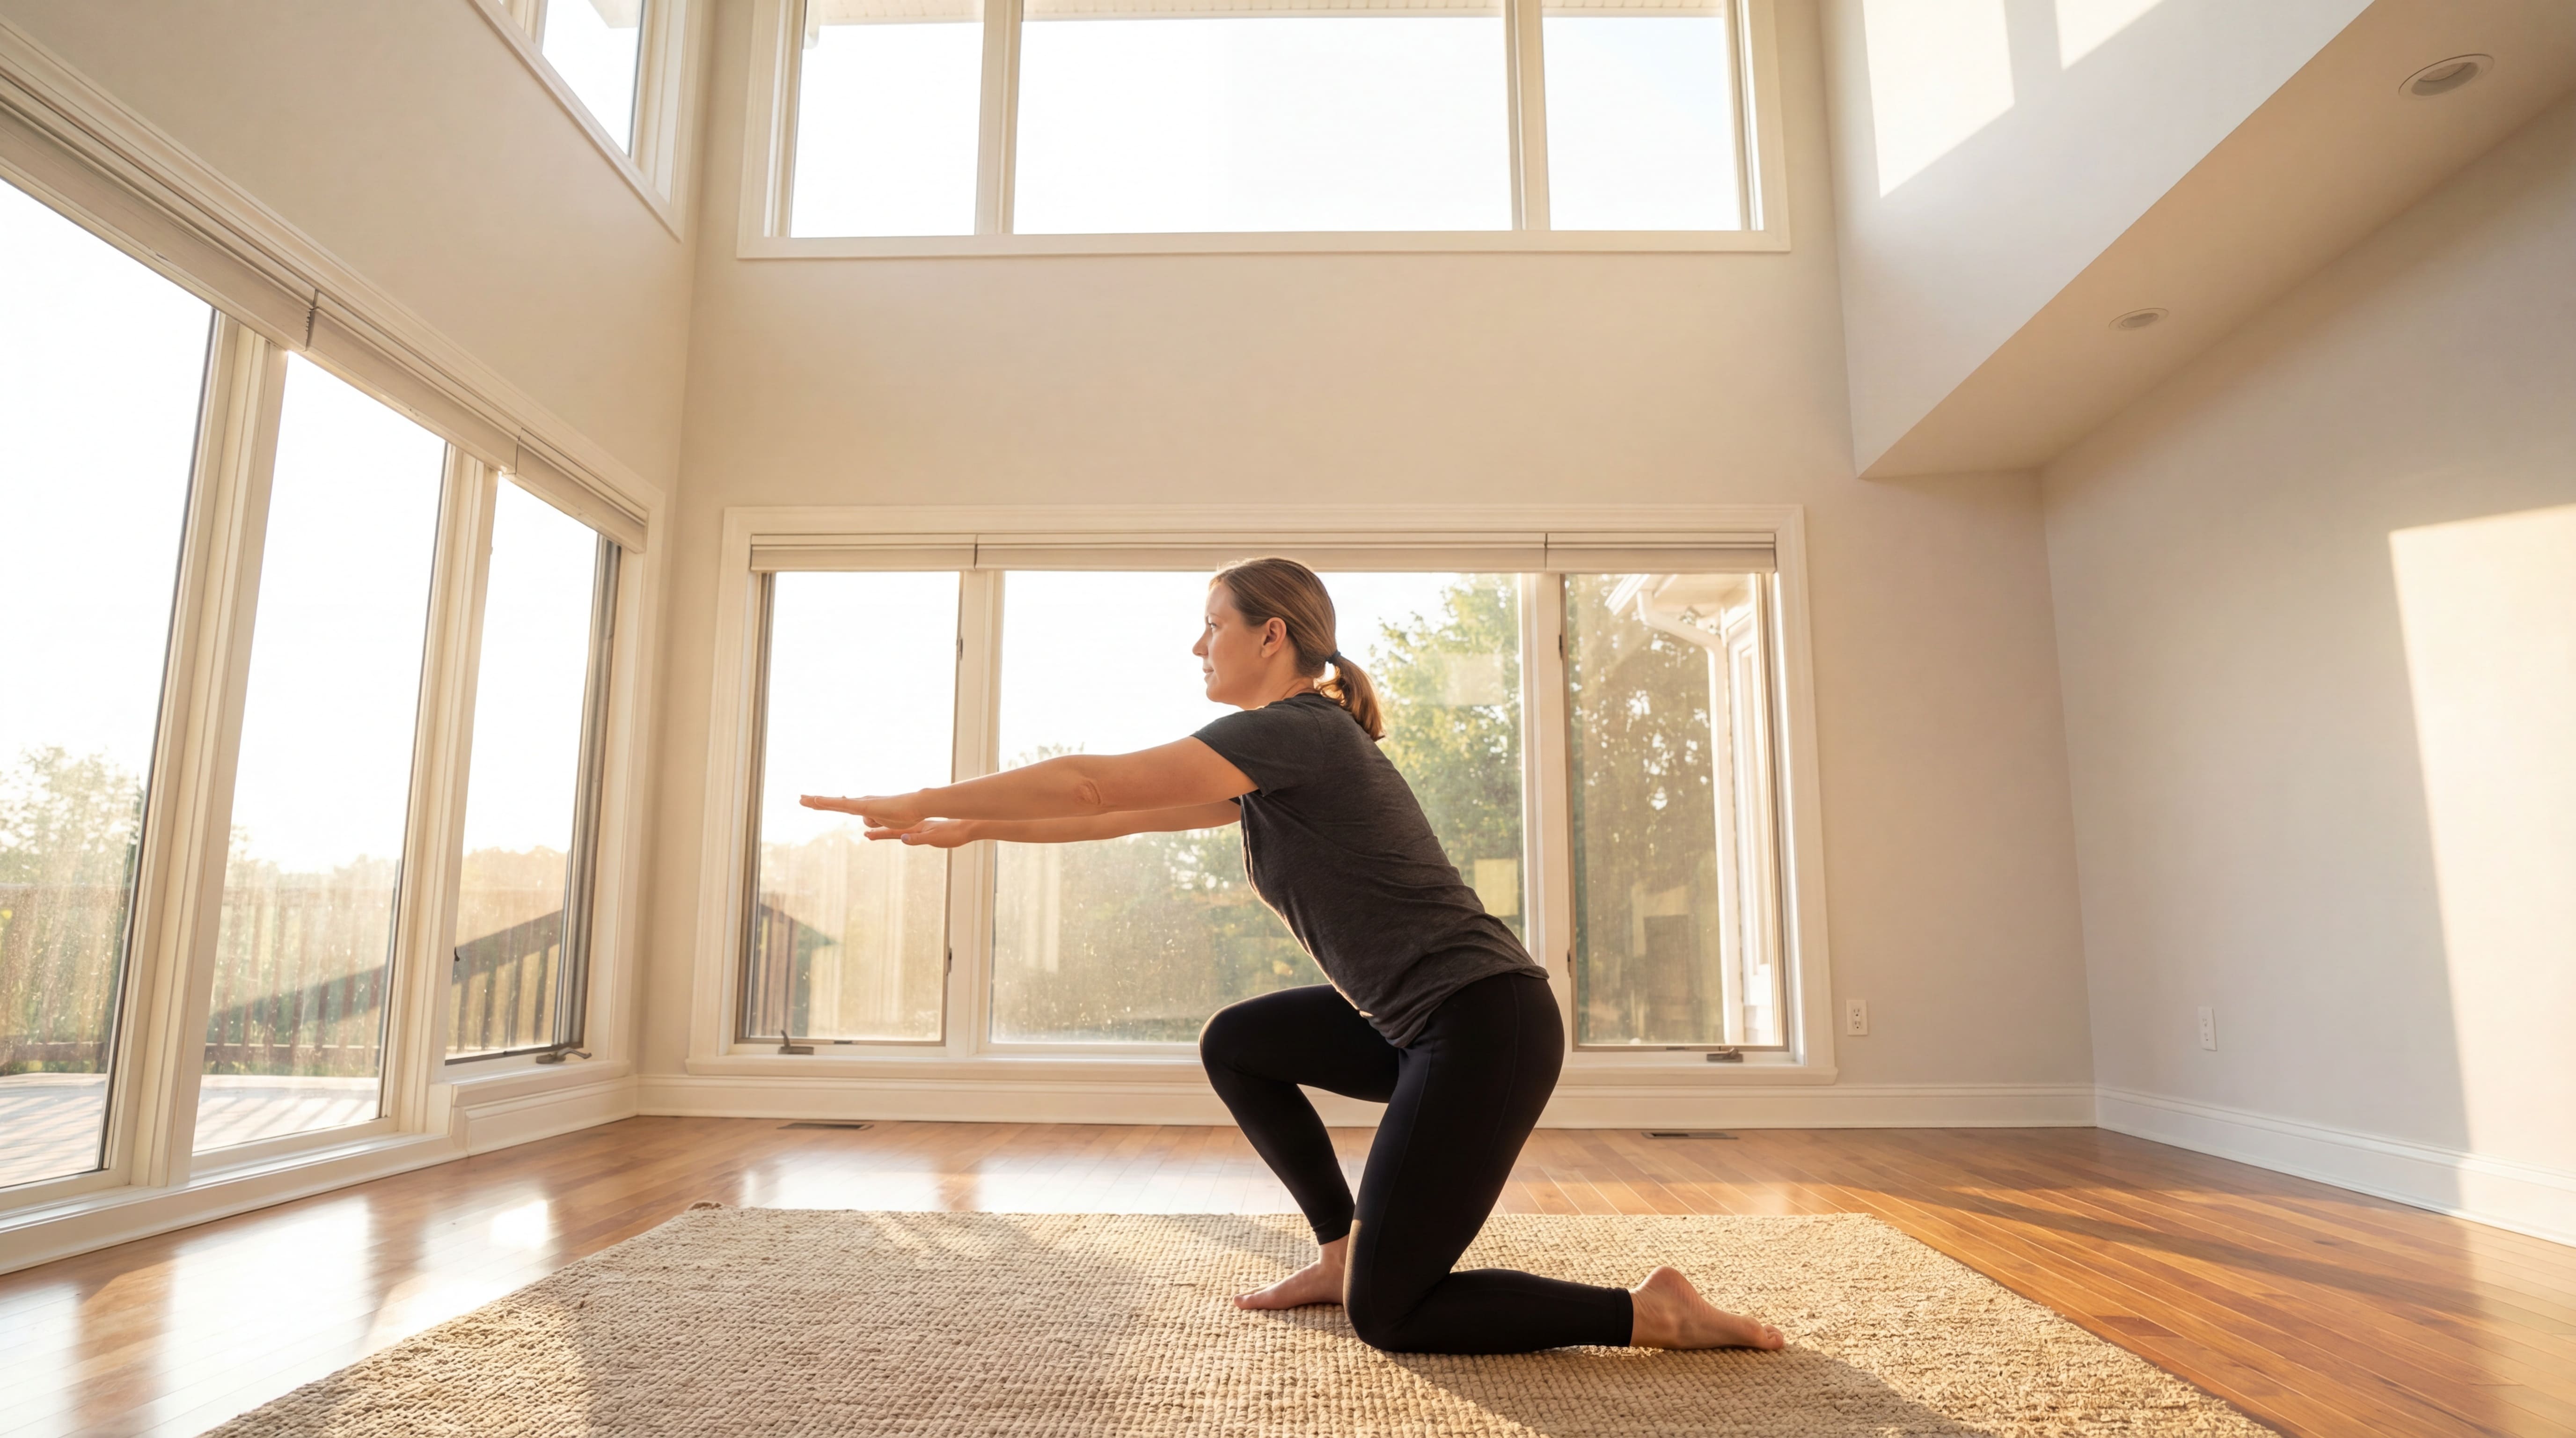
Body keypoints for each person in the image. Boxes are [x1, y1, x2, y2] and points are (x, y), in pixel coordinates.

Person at [801, 557, 1785, 1357]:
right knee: (1241, 1041)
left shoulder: (1296, 733)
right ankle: (1340, 1247)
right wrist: (975, 831)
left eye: (1213, 623)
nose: (1198, 644)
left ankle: (1647, 1311)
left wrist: (930, 795)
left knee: (1394, 1317)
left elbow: (1093, 788)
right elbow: (1126, 819)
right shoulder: (1274, 758)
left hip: (1484, 1026)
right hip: (1422, 1026)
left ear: (1272, 635)